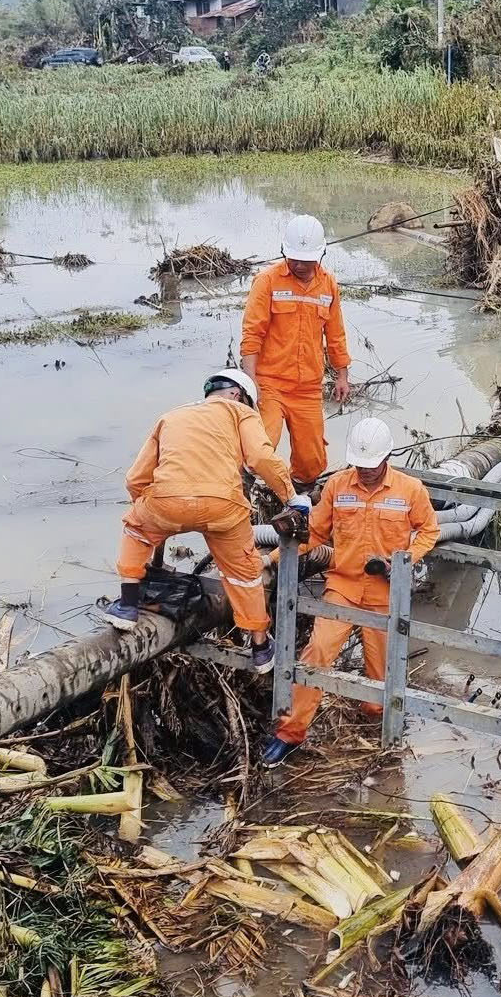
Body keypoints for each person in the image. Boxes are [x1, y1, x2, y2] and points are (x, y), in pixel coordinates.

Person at [261, 417, 437, 765]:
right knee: (318, 653)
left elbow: (429, 531)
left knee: (382, 669)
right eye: (360, 465)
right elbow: (315, 532)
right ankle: (289, 732)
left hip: (384, 590)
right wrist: (274, 557)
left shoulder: (410, 490)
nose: (366, 471)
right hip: (343, 584)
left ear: (387, 457)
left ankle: (375, 717)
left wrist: (402, 562)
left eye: (371, 466)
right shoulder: (338, 486)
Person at [113, 368, 308, 673]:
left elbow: (136, 477)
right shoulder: (240, 413)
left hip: (168, 500)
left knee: (135, 529)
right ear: (236, 394)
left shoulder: (171, 417)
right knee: (244, 570)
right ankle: (259, 647)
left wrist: (148, 512)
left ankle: (126, 606)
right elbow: (260, 458)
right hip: (223, 505)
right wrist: (291, 497)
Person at [241, 214, 352, 488]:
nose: (300, 265)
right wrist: (250, 382)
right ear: (284, 252)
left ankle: (297, 498)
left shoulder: (328, 286)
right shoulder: (267, 281)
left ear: (321, 254)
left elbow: (335, 334)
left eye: (307, 259)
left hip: (308, 389)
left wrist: (342, 375)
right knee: (259, 449)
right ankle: (244, 494)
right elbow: (252, 333)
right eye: (295, 258)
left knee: (311, 462)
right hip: (270, 384)